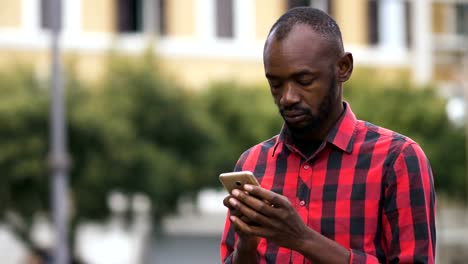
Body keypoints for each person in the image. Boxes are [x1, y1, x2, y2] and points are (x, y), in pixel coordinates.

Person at [220, 7, 436, 264]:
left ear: (343, 68)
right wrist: (246, 248)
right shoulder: (253, 163)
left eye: (304, 80)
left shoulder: (398, 160)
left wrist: (302, 238)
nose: (287, 97)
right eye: (275, 84)